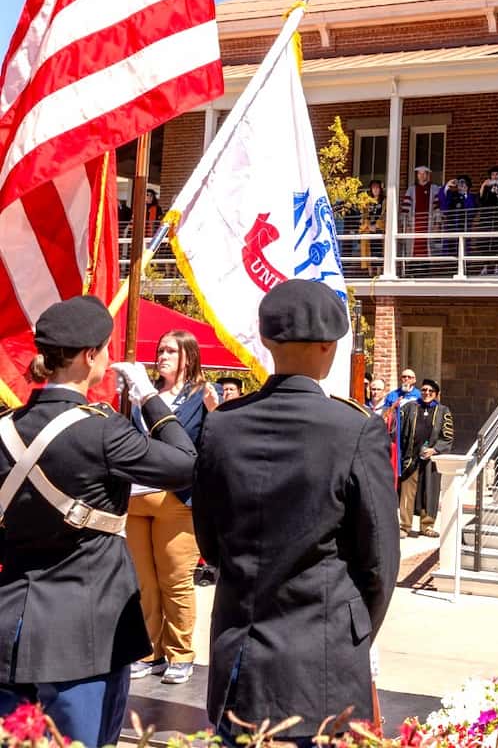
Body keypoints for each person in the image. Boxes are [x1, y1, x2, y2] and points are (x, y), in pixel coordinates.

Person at [193, 279, 400, 738]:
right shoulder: (355, 429)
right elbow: (380, 561)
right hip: (322, 667)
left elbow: (209, 541)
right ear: (330, 346)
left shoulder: (222, 425)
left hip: (240, 657)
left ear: (266, 341)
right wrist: (350, 632)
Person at [0, 296, 196, 747]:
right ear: (90, 355)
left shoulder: (5, 428)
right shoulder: (102, 429)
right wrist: (149, 398)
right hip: (85, 635)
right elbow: (186, 463)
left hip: (10, 623)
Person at [127, 332, 220, 685]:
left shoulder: (202, 395)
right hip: (137, 498)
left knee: (175, 581)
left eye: (170, 350)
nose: (161, 355)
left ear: (188, 357)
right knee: (143, 583)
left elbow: (214, 442)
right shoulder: (140, 394)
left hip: (179, 500)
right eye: (159, 349)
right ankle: (149, 652)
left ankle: (180, 654)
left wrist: (216, 410)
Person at [398, 380, 454, 538]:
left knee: (430, 492)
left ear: (436, 394)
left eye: (431, 391)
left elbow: (447, 436)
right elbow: (398, 428)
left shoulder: (443, 411)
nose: (427, 393)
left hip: (431, 460)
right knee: (407, 493)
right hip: (411, 457)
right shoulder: (410, 407)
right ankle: (404, 526)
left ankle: (427, 526)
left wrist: (435, 450)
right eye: (424, 390)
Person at [400, 165, 440, 270]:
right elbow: (406, 208)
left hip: (429, 222)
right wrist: (406, 225)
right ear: (417, 175)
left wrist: (437, 223)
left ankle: (426, 269)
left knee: (427, 247)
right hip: (414, 222)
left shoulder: (434, 188)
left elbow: (437, 207)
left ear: (427, 175)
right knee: (413, 246)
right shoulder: (411, 189)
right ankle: (412, 269)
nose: (421, 176)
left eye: (423, 174)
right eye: (419, 174)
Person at [358, 180, 385, 274]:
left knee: (378, 250)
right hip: (368, 228)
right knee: (368, 250)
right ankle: (370, 272)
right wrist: (369, 225)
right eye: (373, 188)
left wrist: (377, 225)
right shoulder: (368, 201)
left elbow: (384, 214)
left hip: (379, 228)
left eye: (377, 187)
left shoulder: (384, 201)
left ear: (380, 189)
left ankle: (378, 271)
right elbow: (364, 215)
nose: (375, 190)